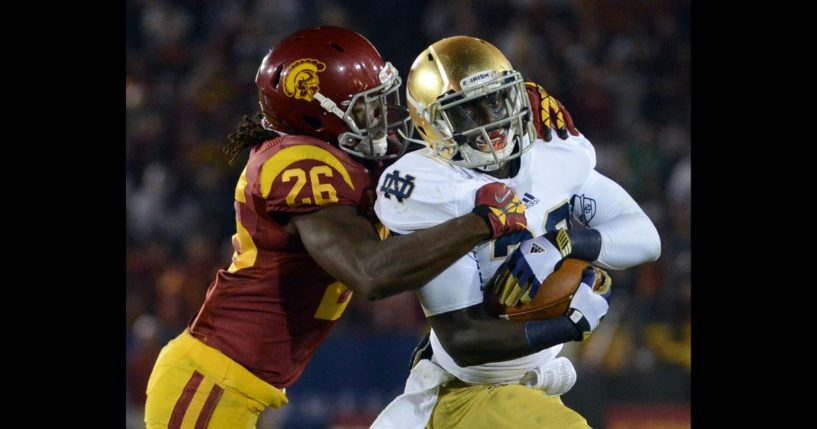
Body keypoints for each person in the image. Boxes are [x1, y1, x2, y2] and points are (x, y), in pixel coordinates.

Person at [142, 26, 579, 429]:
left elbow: (443, 162)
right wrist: (482, 222)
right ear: (317, 116)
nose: (384, 117)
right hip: (211, 383)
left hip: (234, 383)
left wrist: (507, 112)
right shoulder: (299, 164)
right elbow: (371, 273)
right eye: (369, 107)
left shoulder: (345, 161)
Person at [371, 35, 661, 429]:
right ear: (433, 124)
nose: (490, 121)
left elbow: (645, 238)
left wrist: (563, 244)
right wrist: (569, 325)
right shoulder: (433, 188)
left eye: (494, 101)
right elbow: (464, 339)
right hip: (472, 393)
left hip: (527, 390)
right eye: (466, 113)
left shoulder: (552, 156)